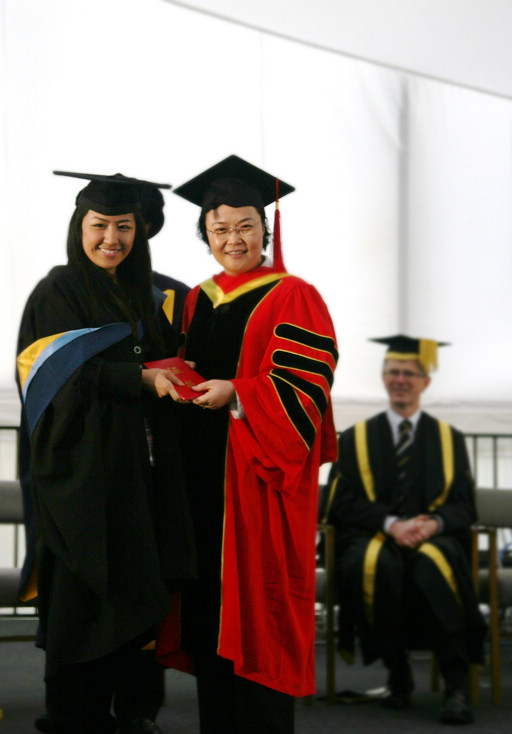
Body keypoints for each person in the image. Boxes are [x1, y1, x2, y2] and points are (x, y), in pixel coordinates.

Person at [156, 154, 339, 734]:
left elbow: (307, 383)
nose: (233, 239)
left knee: (258, 610)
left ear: (266, 229)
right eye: (220, 228)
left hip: (257, 478)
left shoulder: (293, 294)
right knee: (209, 612)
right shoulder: (197, 298)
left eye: (245, 226)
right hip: (200, 478)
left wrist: (238, 391)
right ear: (204, 233)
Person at [15, 173, 196, 734]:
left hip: (141, 475)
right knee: (84, 594)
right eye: (100, 225)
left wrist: (178, 374)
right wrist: (137, 379)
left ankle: (137, 712)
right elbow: (55, 379)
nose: (111, 239)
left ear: (141, 231)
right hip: (81, 476)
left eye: (124, 226)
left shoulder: (152, 294)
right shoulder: (59, 291)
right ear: (80, 227)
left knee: (141, 586)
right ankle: (75, 716)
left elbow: (167, 365)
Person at [326, 335, 487, 725]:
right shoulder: (356, 438)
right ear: (384, 377)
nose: (401, 380)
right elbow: (340, 502)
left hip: (434, 537)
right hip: (374, 535)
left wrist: (434, 523)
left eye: (410, 374)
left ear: (425, 382)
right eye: (394, 372)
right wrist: (392, 525)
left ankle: (455, 683)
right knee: (374, 564)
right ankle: (397, 673)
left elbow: (465, 505)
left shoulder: (449, 439)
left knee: (435, 564)